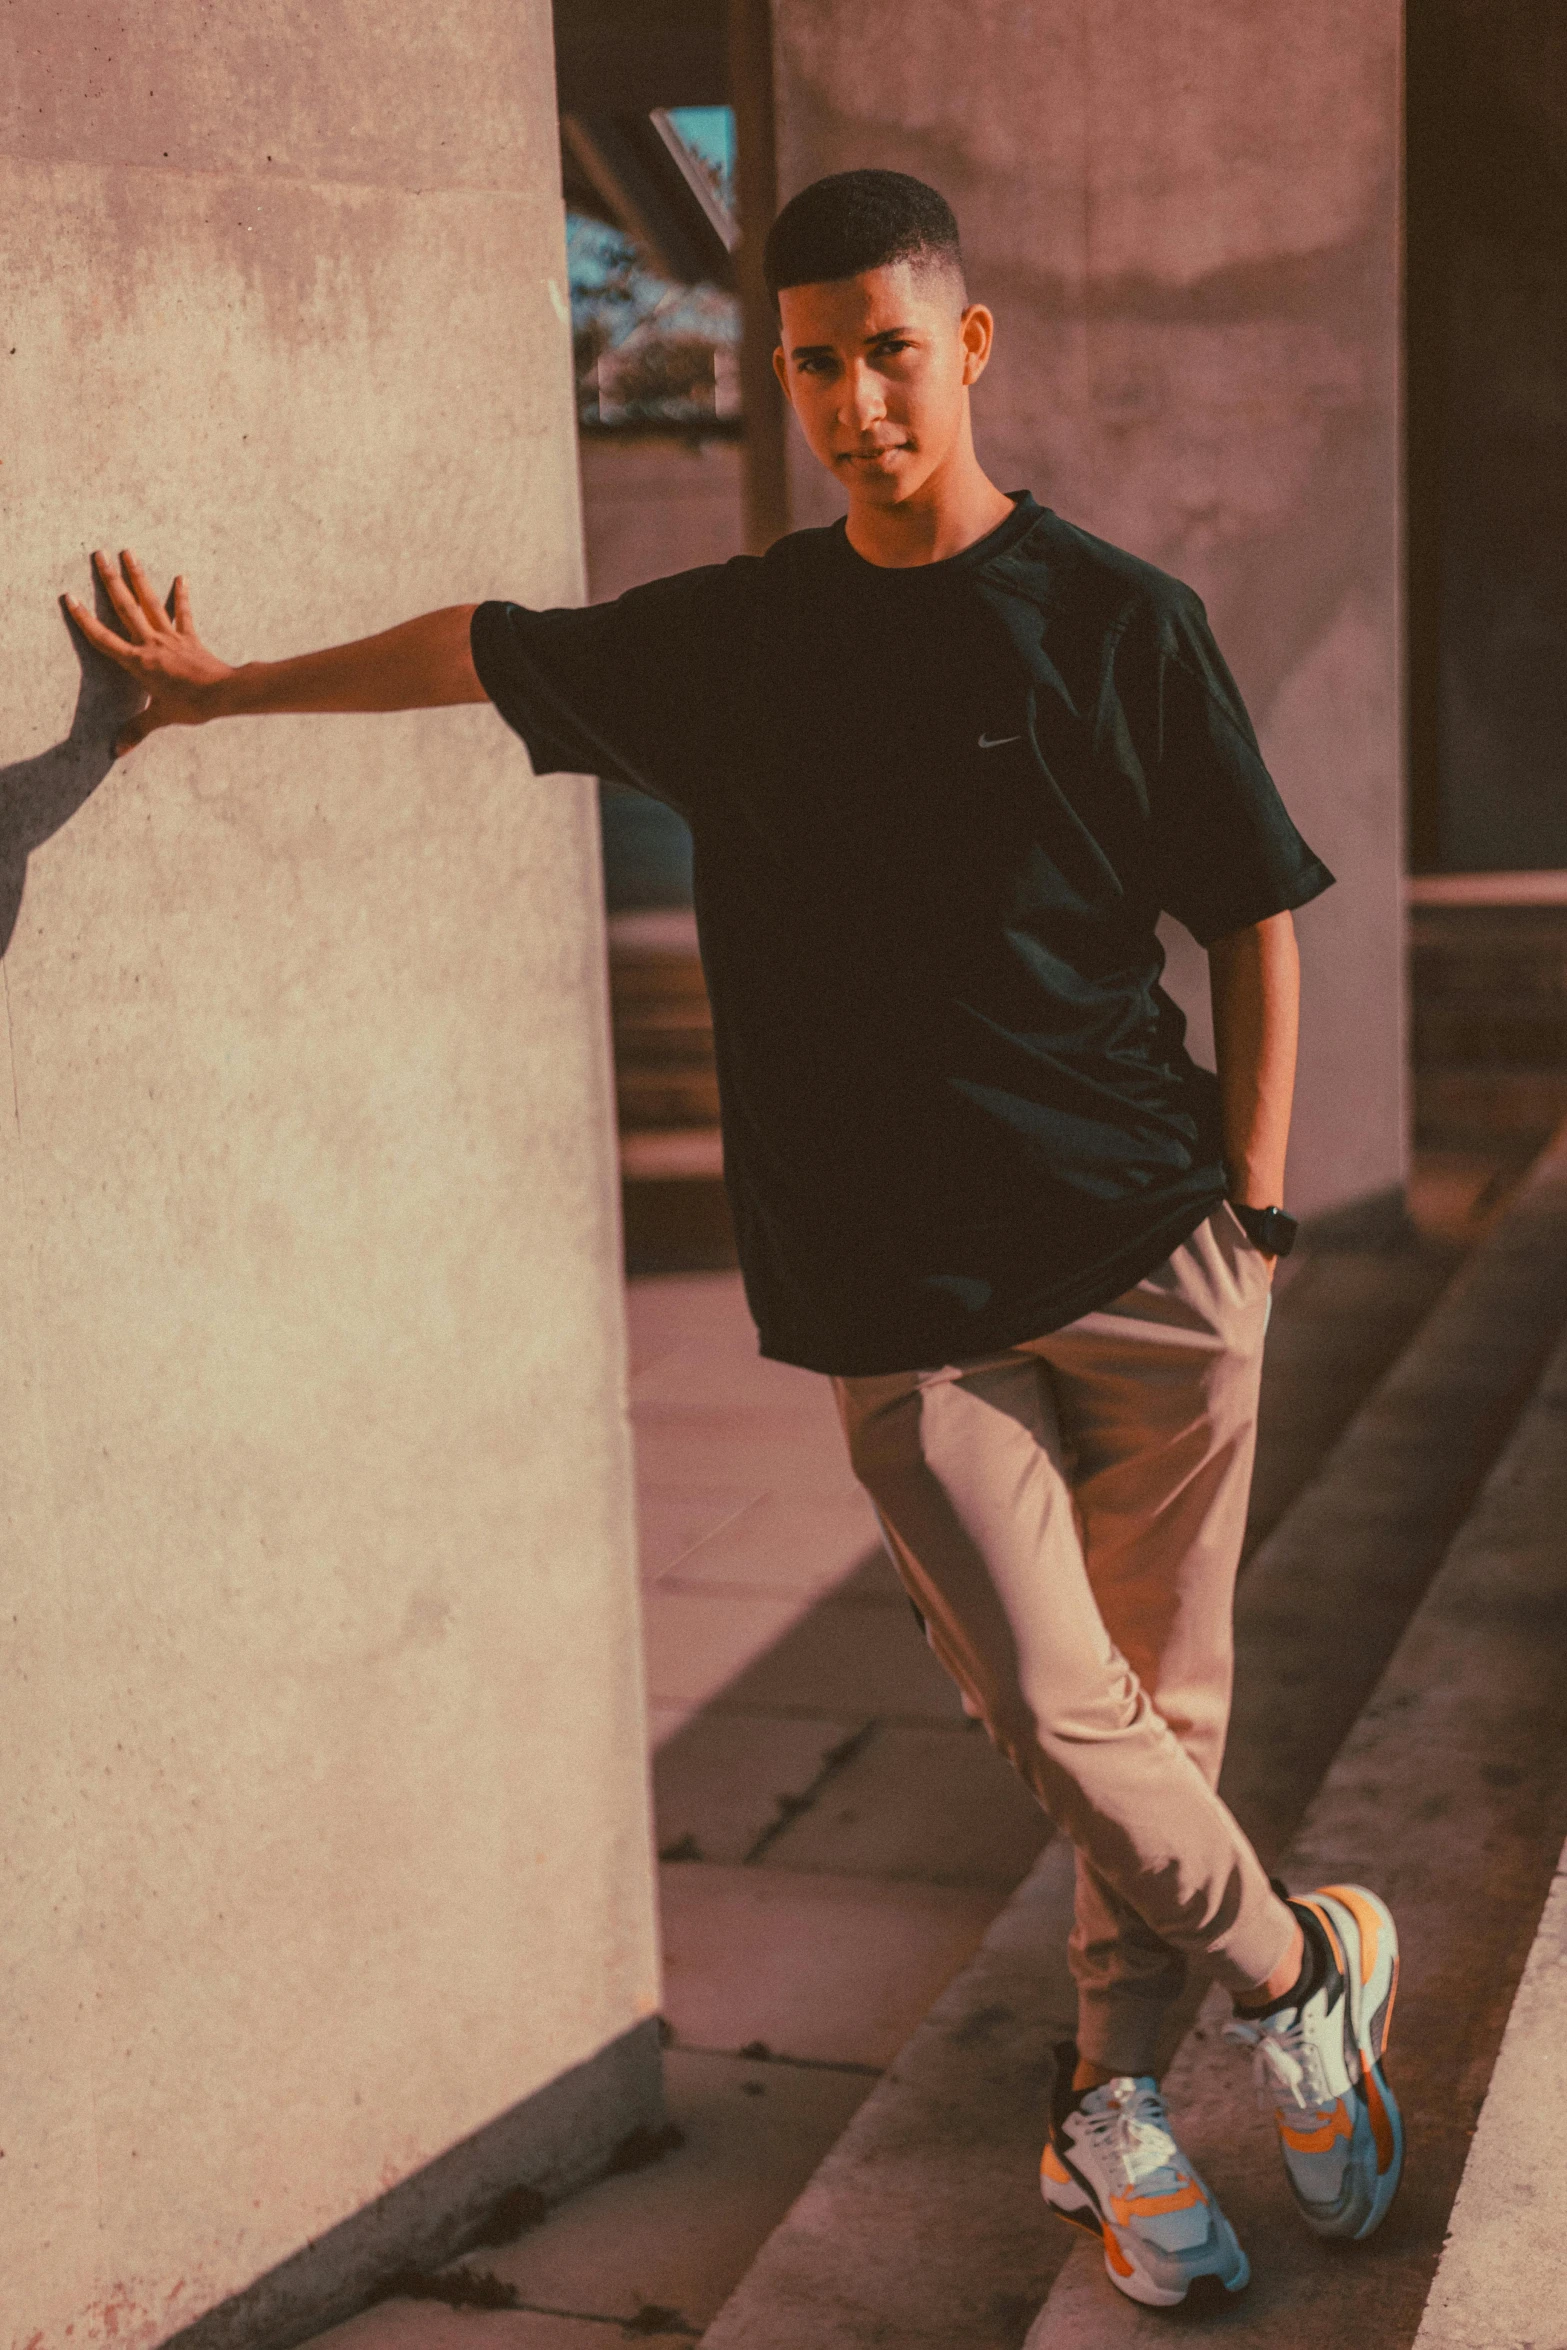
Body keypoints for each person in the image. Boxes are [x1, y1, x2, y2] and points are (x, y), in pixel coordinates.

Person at [65, 167, 1401, 2313]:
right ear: (777, 379)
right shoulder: (741, 637)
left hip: (1157, 1256)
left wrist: (1251, 1211)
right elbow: (482, 646)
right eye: (814, 362)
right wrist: (219, 694)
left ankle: (1112, 2102)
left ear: (964, 349)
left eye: (891, 349)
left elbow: (1252, 911)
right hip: (897, 1299)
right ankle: (1301, 1963)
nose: (856, 397)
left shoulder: (1122, 619)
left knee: (1165, 1710)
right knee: (1068, 1711)